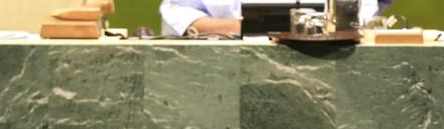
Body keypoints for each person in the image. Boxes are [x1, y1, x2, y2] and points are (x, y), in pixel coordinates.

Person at [159, 0, 392, 37]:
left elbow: (360, 11)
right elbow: (180, 13)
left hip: (329, 60)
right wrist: (241, 28)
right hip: (226, 66)